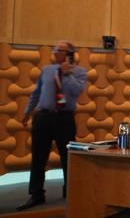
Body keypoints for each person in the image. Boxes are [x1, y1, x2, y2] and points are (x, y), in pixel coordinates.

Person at [17, 41, 87, 211]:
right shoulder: (47, 70)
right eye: (55, 49)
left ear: (69, 53)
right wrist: (27, 112)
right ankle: (36, 194)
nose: (55, 52)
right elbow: (37, 92)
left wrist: (67, 74)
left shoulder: (79, 72)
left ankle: (69, 190)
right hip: (43, 117)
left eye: (59, 50)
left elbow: (76, 91)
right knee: (38, 158)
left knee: (67, 157)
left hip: (64, 118)